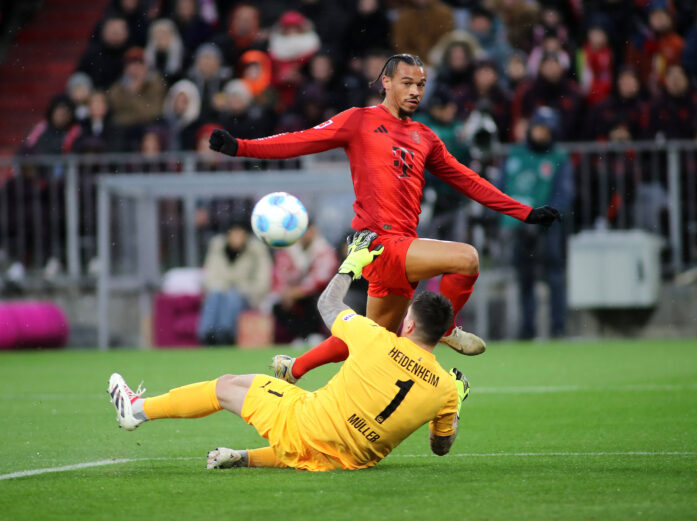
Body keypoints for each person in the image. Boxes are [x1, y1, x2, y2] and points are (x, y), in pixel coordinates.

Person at [207, 54, 560, 383]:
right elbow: (301, 140)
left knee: (372, 342)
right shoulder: (359, 121)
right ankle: (446, 326)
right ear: (385, 82)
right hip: (377, 243)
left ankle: (294, 368)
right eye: (406, 83)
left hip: (403, 246)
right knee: (466, 258)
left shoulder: (425, 137)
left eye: (420, 84)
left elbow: (468, 180)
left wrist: (524, 212)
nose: (415, 91)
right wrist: (240, 146)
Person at [107, 231, 470, 472]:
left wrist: (353, 264)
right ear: (440, 336)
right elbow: (440, 448)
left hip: (307, 426)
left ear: (407, 324)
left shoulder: (376, 337)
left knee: (228, 386)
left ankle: (136, 410)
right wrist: (455, 404)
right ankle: (244, 458)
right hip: (348, 461)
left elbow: (328, 305)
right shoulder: (444, 389)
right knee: (318, 442)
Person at [500, 108, 573, 339]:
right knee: (525, 278)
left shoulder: (559, 158)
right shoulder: (515, 155)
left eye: (546, 129)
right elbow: (499, 188)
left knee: (554, 276)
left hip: (548, 229)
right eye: (538, 128)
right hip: (518, 227)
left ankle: (558, 328)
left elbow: (564, 195)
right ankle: (527, 329)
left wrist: (543, 218)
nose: (541, 134)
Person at [198, 222, 272, 345]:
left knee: (232, 296)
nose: (236, 237)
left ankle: (226, 334)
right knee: (215, 295)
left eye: (240, 233)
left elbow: (263, 281)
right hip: (221, 293)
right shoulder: (217, 248)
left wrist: (241, 290)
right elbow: (209, 276)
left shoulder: (256, 250)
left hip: (248, 296)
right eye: (233, 233)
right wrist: (222, 288)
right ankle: (207, 335)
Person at [270, 222, 339, 344]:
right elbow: (280, 274)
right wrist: (286, 292)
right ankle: (301, 336)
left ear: (313, 231)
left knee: (313, 301)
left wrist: (299, 291)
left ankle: (315, 335)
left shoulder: (324, 250)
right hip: (295, 294)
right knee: (277, 305)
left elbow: (321, 279)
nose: (303, 235)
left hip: (318, 295)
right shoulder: (288, 251)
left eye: (306, 231)